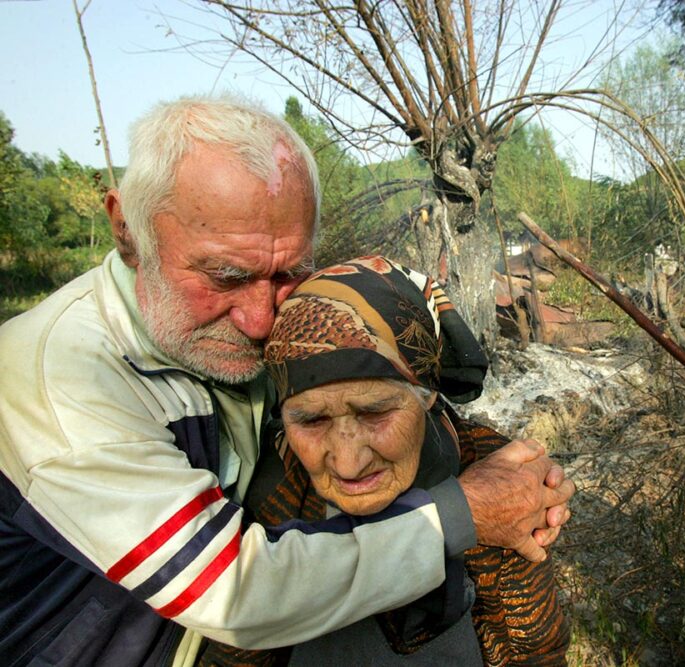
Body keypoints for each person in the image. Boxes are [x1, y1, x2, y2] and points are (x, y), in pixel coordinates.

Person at [0, 95, 573, 666]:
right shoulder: (63, 377)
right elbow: (240, 596)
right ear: (127, 231)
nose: (262, 319)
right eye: (226, 276)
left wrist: (422, 313)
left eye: (289, 271)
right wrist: (464, 514)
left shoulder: (208, 330)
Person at [198, 256, 570, 665]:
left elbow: (532, 651)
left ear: (427, 393)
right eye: (311, 419)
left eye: (374, 413)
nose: (347, 463)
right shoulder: (271, 484)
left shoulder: (496, 477)